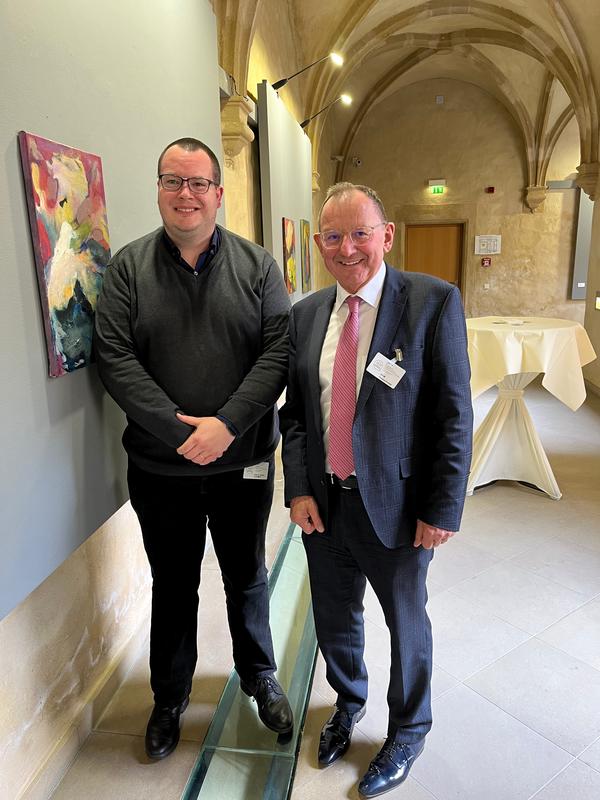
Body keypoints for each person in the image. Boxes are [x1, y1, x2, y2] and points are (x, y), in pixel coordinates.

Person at [94, 137, 293, 760]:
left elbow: (278, 352)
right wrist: (182, 433)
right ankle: (170, 697)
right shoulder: (127, 270)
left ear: (218, 193)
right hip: (160, 467)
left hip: (246, 461)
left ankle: (259, 674)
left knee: (247, 576)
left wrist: (227, 425)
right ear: (158, 189)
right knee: (174, 585)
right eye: (174, 181)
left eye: (198, 183)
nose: (187, 194)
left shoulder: (259, 268)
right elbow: (115, 358)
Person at [280, 182, 472, 797]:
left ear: (386, 236)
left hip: (398, 508)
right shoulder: (306, 314)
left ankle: (409, 731)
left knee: (406, 624)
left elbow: (452, 414)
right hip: (326, 504)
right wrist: (300, 488)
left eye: (361, 232)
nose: (348, 247)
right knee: (336, 620)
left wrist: (442, 507)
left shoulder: (431, 302)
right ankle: (348, 702)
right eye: (333, 236)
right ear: (319, 244)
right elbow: (297, 416)